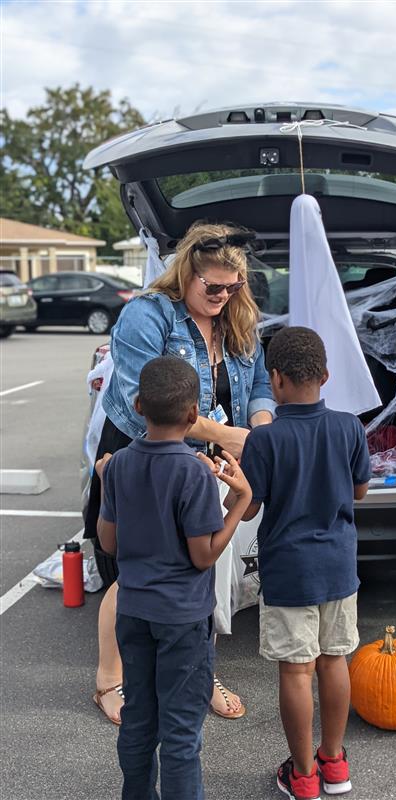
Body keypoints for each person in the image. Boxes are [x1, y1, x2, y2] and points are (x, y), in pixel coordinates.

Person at [86, 222, 275, 724]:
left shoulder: (238, 314)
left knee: (202, 572)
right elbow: (134, 400)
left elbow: (258, 382)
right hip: (145, 456)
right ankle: (110, 680)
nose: (223, 295)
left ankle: (199, 670)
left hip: (206, 462)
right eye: (212, 286)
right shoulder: (146, 316)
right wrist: (225, 436)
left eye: (233, 286)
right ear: (186, 270)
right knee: (137, 573)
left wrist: (260, 428)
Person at [96, 355, 252, 800]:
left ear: (140, 405)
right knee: (181, 735)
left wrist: (107, 481)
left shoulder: (121, 464)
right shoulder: (193, 472)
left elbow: (108, 543)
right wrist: (241, 500)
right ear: (192, 416)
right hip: (182, 619)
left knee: (140, 719)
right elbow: (203, 557)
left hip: (134, 612)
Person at [234, 327, 372, 800]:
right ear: (327, 375)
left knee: (296, 671)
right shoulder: (350, 427)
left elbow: (250, 508)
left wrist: (234, 480)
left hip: (290, 569)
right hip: (339, 566)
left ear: (275, 380)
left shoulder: (264, 440)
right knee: (335, 661)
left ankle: (303, 774)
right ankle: (335, 763)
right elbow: (359, 491)